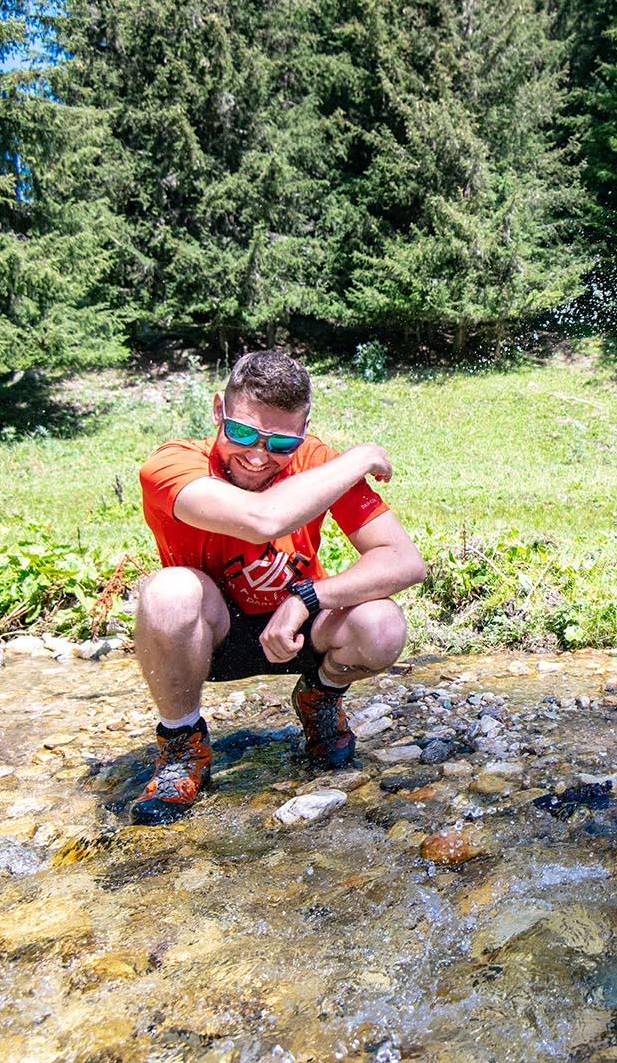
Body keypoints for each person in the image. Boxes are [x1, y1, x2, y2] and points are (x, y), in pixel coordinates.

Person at [130, 351, 427, 824]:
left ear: (304, 431)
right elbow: (262, 520)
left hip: (297, 630)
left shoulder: (319, 465)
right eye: (243, 432)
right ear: (216, 412)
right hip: (212, 635)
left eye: (282, 443)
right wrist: (359, 459)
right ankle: (182, 741)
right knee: (169, 591)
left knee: (382, 624)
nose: (257, 454)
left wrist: (308, 597)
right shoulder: (172, 464)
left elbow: (405, 561)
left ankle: (321, 695)